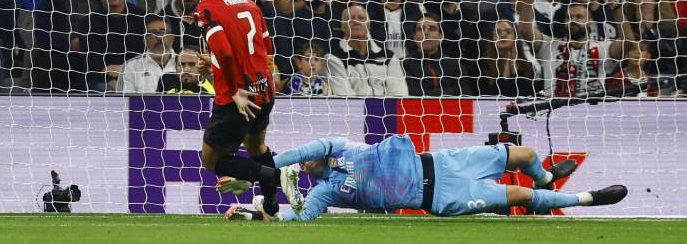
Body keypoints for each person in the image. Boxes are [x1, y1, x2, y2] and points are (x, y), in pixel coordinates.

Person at [224, 135, 625, 221]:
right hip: (441, 197)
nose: (307, 160)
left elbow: (293, 154)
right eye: (303, 164)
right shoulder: (327, 192)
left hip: (446, 161)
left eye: (306, 157)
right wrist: (256, 211)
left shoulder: (339, 148)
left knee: (526, 155)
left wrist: (253, 173)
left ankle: (546, 179)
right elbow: (300, 217)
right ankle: (589, 198)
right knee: (518, 195)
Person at [182, 0, 282, 219]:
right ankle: (271, 207)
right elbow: (265, 48)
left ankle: (273, 176)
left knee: (211, 160)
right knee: (256, 147)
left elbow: (225, 53)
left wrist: (236, 89)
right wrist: (213, 61)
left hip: (237, 96)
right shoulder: (249, 3)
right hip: (263, 88)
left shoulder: (205, 9)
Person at [324, 5, 408, 97]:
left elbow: (398, 93)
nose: (356, 22)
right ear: (342, 27)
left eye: (361, 18)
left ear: (369, 25)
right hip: (353, 106)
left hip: (387, 106)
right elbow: (345, 97)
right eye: (351, 19)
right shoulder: (333, 58)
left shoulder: (389, 57)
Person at [119, 14, 177, 93]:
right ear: (144, 40)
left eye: (163, 32)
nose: (159, 37)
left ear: (172, 38)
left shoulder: (185, 62)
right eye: (153, 33)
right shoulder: (131, 67)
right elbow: (123, 100)